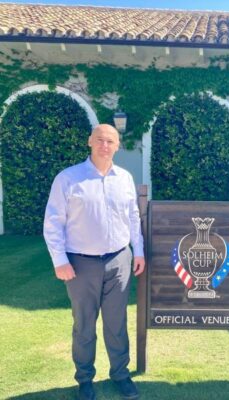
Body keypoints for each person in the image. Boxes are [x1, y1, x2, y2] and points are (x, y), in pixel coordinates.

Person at [43, 124, 145, 400]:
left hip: (119, 261)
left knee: (116, 323)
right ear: (90, 141)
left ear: (117, 145)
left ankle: (120, 374)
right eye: (100, 139)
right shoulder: (68, 178)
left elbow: (133, 217)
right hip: (81, 264)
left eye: (110, 141)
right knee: (84, 324)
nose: (104, 145)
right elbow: (53, 222)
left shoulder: (124, 178)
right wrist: (59, 260)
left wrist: (139, 251)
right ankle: (85, 379)